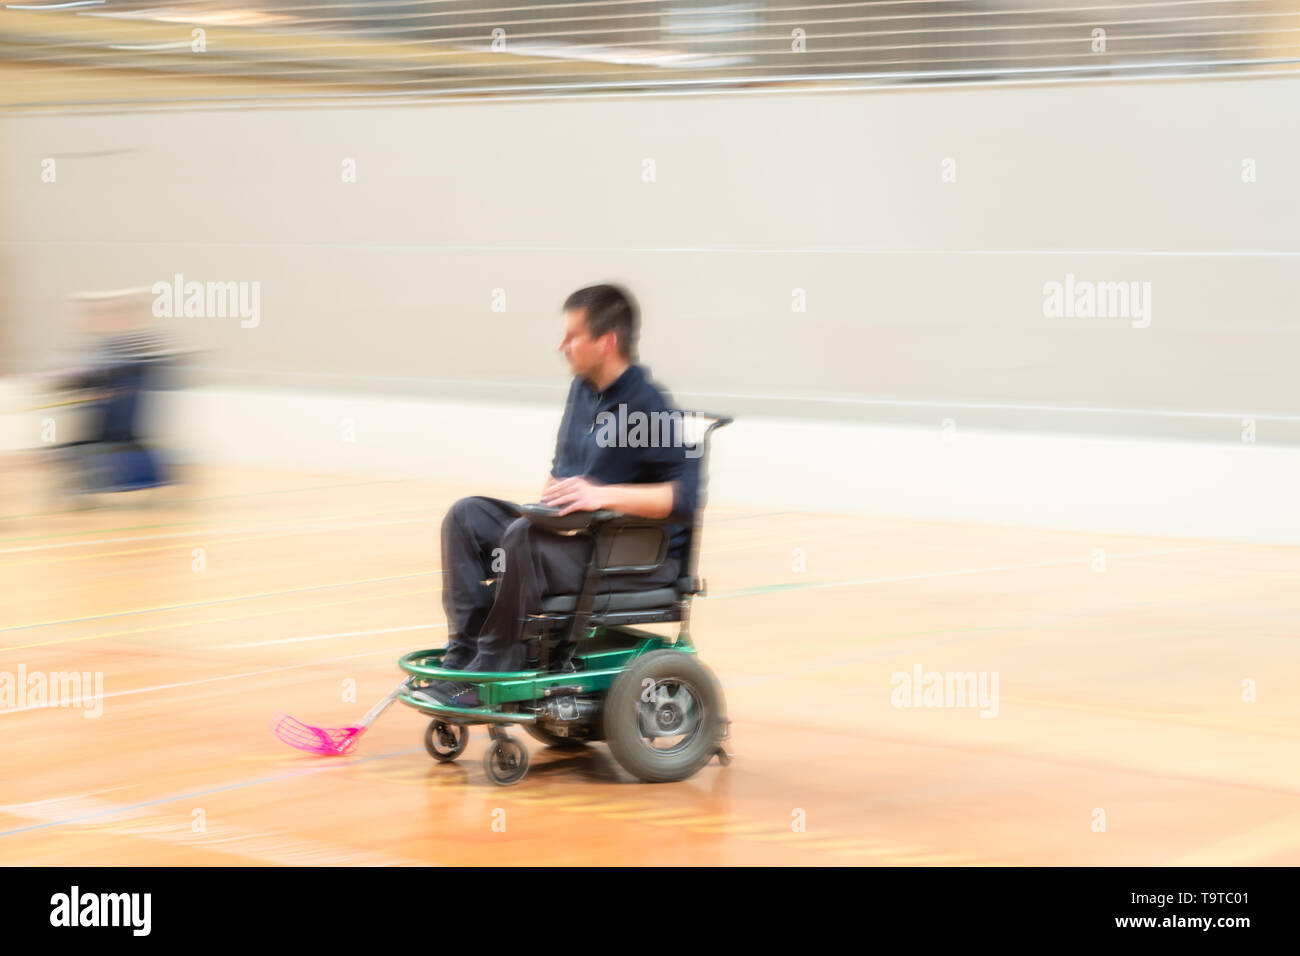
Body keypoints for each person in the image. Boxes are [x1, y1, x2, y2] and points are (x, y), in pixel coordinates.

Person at [416, 284, 697, 707]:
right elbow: (565, 473)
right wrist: (555, 499)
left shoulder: (647, 406)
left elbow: (684, 498)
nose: (561, 345)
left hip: (632, 558)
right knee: (468, 516)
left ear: (606, 342)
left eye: (572, 336)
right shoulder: (583, 391)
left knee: (522, 539)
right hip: (577, 538)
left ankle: (495, 667)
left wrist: (601, 495)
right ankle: (465, 655)